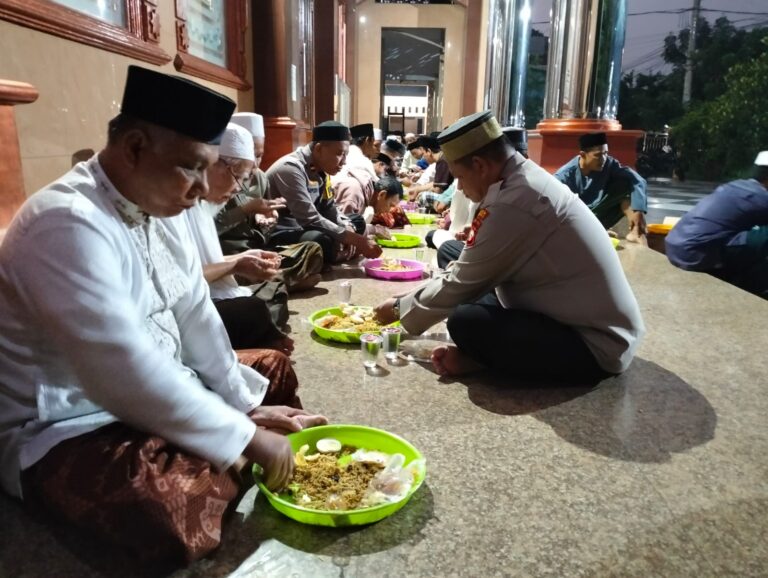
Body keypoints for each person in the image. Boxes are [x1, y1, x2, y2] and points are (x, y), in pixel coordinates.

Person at [0, 66, 327, 566]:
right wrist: (243, 435)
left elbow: (195, 310)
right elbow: (120, 369)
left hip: (159, 384)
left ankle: (221, 456)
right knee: (162, 511)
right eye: (192, 167)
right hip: (70, 426)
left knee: (271, 370)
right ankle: (231, 458)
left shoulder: (155, 204)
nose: (202, 188)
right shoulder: (65, 223)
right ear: (134, 147)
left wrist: (240, 407)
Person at [374, 110, 644, 384]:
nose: (462, 189)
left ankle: (485, 360)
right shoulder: (517, 178)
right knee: (453, 254)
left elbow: (463, 280)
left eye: (460, 178)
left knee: (466, 321)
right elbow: (469, 265)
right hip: (546, 305)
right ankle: (487, 357)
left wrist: (398, 309)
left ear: (480, 165)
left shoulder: (516, 200)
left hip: (593, 342)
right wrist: (409, 298)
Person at [182, 122, 294, 351]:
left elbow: (200, 264)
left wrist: (244, 258)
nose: (238, 188)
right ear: (215, 165)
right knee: (253, 310)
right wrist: (237, 263)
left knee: (273, 288)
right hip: (186, 310)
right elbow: (182, 280)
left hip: (225, 277)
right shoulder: (175, 206)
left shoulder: (203, 204)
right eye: (239, 177)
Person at [214, 112, 324, 292]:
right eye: (251, 155)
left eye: (259, 155)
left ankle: (274, 281)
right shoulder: (215, 184)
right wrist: (245, 209)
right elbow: (211, 229)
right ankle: (280, 281)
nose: (255, 164)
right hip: (229, 253)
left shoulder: (260, 179)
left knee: (312, 248)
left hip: (256, 248)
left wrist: (267, 220)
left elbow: (264, 228)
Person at [265, 121, 382, 265]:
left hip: (305, 228)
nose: (344, 162)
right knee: (319, 240)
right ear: (319, 149)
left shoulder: (322, 171)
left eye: (346, 155)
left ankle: (335, 254)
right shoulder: (290, 169)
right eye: (339, 154)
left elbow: (328, 208)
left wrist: (347, 230)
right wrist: (355, 240)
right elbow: (310, 219)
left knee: (356, 221)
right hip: (283, 232)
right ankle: (334, 255)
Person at [665, 151, 768, 299]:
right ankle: (753, 285)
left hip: (676, 247)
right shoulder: (760, 197)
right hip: (695, 256)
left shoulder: (736, 186)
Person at [554, 132, 648, 243]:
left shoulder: (609, 163)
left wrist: (639, 210)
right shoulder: (563, 176)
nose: (603, 158)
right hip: (576, 221)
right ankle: (596, 232)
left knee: (626, 183)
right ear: (583, 155)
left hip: (599, 214)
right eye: (598, 155)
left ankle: (636, 231)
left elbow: (637, 180)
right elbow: (558, 212)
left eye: (606, 153)